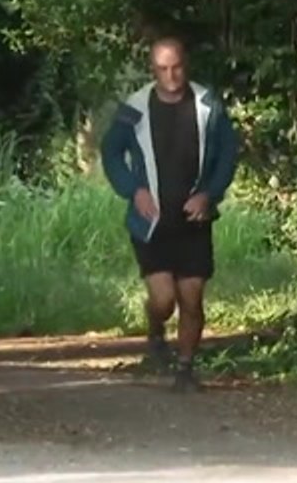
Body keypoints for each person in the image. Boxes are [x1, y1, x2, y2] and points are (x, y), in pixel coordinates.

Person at [100, 36, 239, 393]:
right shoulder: (135, 108)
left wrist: (209, 194)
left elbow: (228, 153)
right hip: (152, 222)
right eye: (163, 69)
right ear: (153, 70)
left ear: (185, 65)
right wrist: (134, 190)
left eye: (176, 67)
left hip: (193, 220)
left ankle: (185, 369)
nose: (171, 75)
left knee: (191, 299)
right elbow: (111, 152)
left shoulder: (208, 104)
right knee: (164, 299)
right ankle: (156, 327)